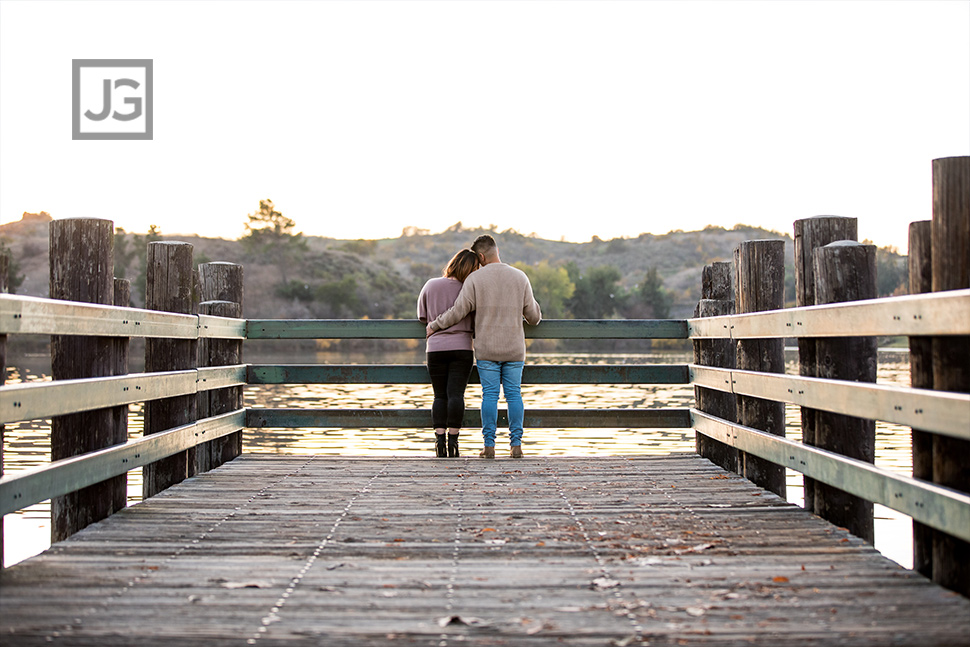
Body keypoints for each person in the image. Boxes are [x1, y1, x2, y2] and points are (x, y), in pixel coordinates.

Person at [426, 235, 541, 459]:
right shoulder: (520, 277)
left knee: (489, 395)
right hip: (514, 349)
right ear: (496, 251)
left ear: (480, 256)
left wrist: (435, 325)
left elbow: (457, 312)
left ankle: (489, 446)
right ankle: (516, 444)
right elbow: (534, 318)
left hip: (487, 349)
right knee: (514, 395)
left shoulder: (475, 280)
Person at [417, 249, 480, 458]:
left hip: (435, 348)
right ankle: (454, 442)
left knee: (439, 395)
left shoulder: (430, 285)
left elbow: (421, 316)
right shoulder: (469, 289)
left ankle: (439, 442)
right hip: (462, 347)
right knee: (456, 395)